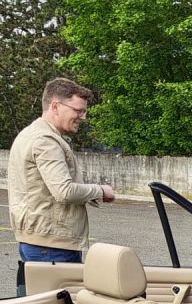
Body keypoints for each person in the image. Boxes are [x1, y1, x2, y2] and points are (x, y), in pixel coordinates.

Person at [7, 77, 115, 264]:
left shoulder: (29, 134)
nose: (83, 117)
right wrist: (100, 191)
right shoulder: (46, 140)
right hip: (52, 246)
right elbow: (64, 191)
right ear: (55, 106)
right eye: (78, 111)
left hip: (40, 241)